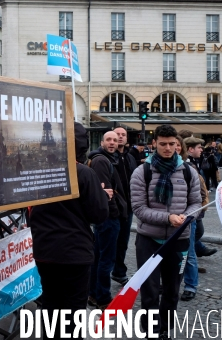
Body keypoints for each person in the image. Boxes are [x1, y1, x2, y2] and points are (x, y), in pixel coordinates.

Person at [29, 122, 110, 339]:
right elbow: (99, 215)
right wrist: (101, 197)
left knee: (50, 304)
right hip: (75, 252)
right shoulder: (83, 173)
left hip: (45, 250)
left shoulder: (35, 172)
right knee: (73, 309)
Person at [130, 124, 201, 339]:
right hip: (148, 239)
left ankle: (165, 330)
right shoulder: (142, 171)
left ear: (178, 145)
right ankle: (151, 330)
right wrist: (168, 218)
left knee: (172, 291)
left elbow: (196, 203)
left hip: (179, 239)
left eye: (172, 144)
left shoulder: (189, 172)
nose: (168, 148)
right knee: (150, 291)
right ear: (155, 144)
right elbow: (139, 209)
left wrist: (187, 217)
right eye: (163, 144)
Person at [87, 131, 127, 310]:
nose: (112, 142)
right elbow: (106, 193)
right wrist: (114, 212)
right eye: (108, 140)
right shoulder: (102, 160)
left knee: (99, 257)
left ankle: (94, 294)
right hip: (108, 218)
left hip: (107, 217)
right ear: (102, 142)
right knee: (106, 259)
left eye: (115, 140)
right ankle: (103, 297)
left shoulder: (110, 159)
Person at [181, 136, 213, 302]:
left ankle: (190, 285)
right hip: (169, 219)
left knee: (189, 253)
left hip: (187, 218)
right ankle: (172, 283)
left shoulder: (189, 168)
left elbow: (200, 193)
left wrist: (196, 212)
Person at [111, 127, 137, 286]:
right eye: (117, 135)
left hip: (128, 208)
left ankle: (119, 271)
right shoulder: (106, 157)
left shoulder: (130, 157)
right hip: (113, 209)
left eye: (123, 135)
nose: (120, 137)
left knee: (123, 242)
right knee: (109, 244)